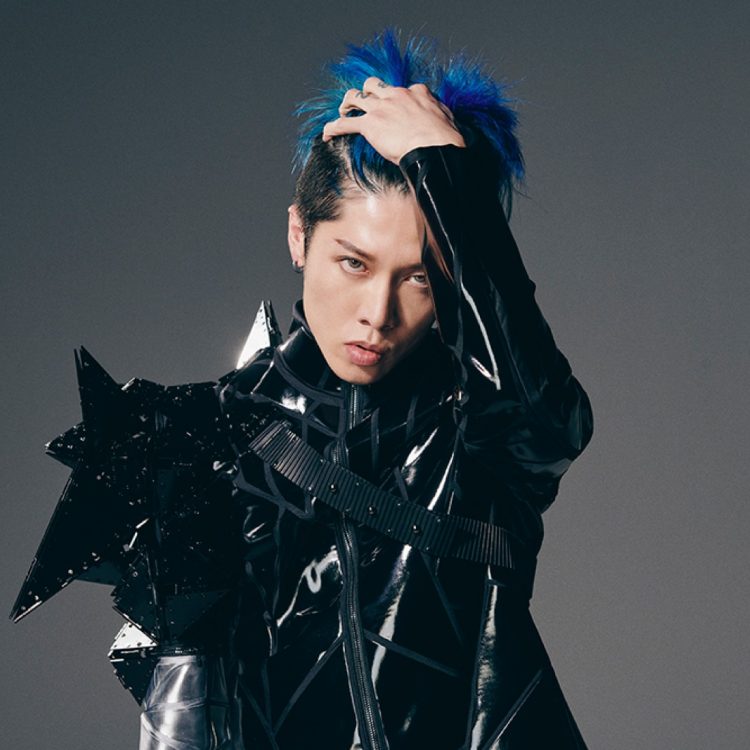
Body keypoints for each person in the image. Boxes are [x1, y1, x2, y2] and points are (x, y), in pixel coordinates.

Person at [12, 30, 593, 749]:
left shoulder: (474, 430)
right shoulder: (198, 445)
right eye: (354, 263)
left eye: (418, 277)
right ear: (299, 236)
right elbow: (180, 714)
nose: (377, 313)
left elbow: (544, 421)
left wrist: (446, 171)